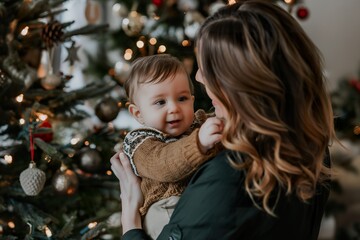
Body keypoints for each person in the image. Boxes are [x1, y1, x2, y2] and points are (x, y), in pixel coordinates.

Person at [110, 1, 335, 239]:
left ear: (238, 84)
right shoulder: (312, 147)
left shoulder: (227, 178)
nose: (197, 77)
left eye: (206, 69)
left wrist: (130, 222)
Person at [119, 54, 223, 239]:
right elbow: (163, 164)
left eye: (182, 98)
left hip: (196, 203)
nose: (174, 108)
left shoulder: (199, 124)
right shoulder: (140, 142)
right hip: (164, 208)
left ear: (192, 100)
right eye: (160, 102)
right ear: (138, 113)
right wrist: (198, 143)